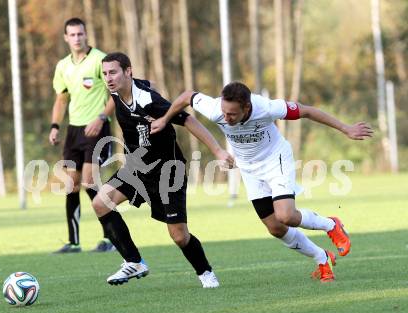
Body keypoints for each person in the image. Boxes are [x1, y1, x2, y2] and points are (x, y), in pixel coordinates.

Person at [151, 81, 373, 282]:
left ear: (247, 108)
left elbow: (306, 111)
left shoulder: (266, 108)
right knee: (276, 228)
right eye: (224, 112)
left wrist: (346, 128)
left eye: (232, 114)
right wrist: (164, 118)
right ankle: (322, 258)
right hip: (249, 168)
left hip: (276, 159)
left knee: (286, 215)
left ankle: (331, 225)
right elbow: (186, 96)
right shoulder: (214, 108)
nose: (225, 118)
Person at [91, 52, 234, 288]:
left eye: (113, 72)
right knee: (100, 203)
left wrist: (218, 151)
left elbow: (188, 121)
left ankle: (205, 273)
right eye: (105, 73)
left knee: (179, 235)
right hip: (137, 167)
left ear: (128, 71)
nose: (108, 78)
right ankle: (134, 261)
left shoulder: (149, 101)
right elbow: (146, 84)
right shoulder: (116, 91)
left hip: (169, 171)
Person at [49, 18, 116, 253]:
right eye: (72, 35)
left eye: (80, 34)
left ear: (86, 35)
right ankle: (74, 242)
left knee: (89, 182)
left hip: (97, 128)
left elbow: (114, 94)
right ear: (66, 38)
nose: (77, 38)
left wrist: (101, 118)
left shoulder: (100, 59)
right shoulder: (62, 66)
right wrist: (55, 125)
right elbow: (61, 99)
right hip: (74, 130)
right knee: (71, 185)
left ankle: (111, 238)